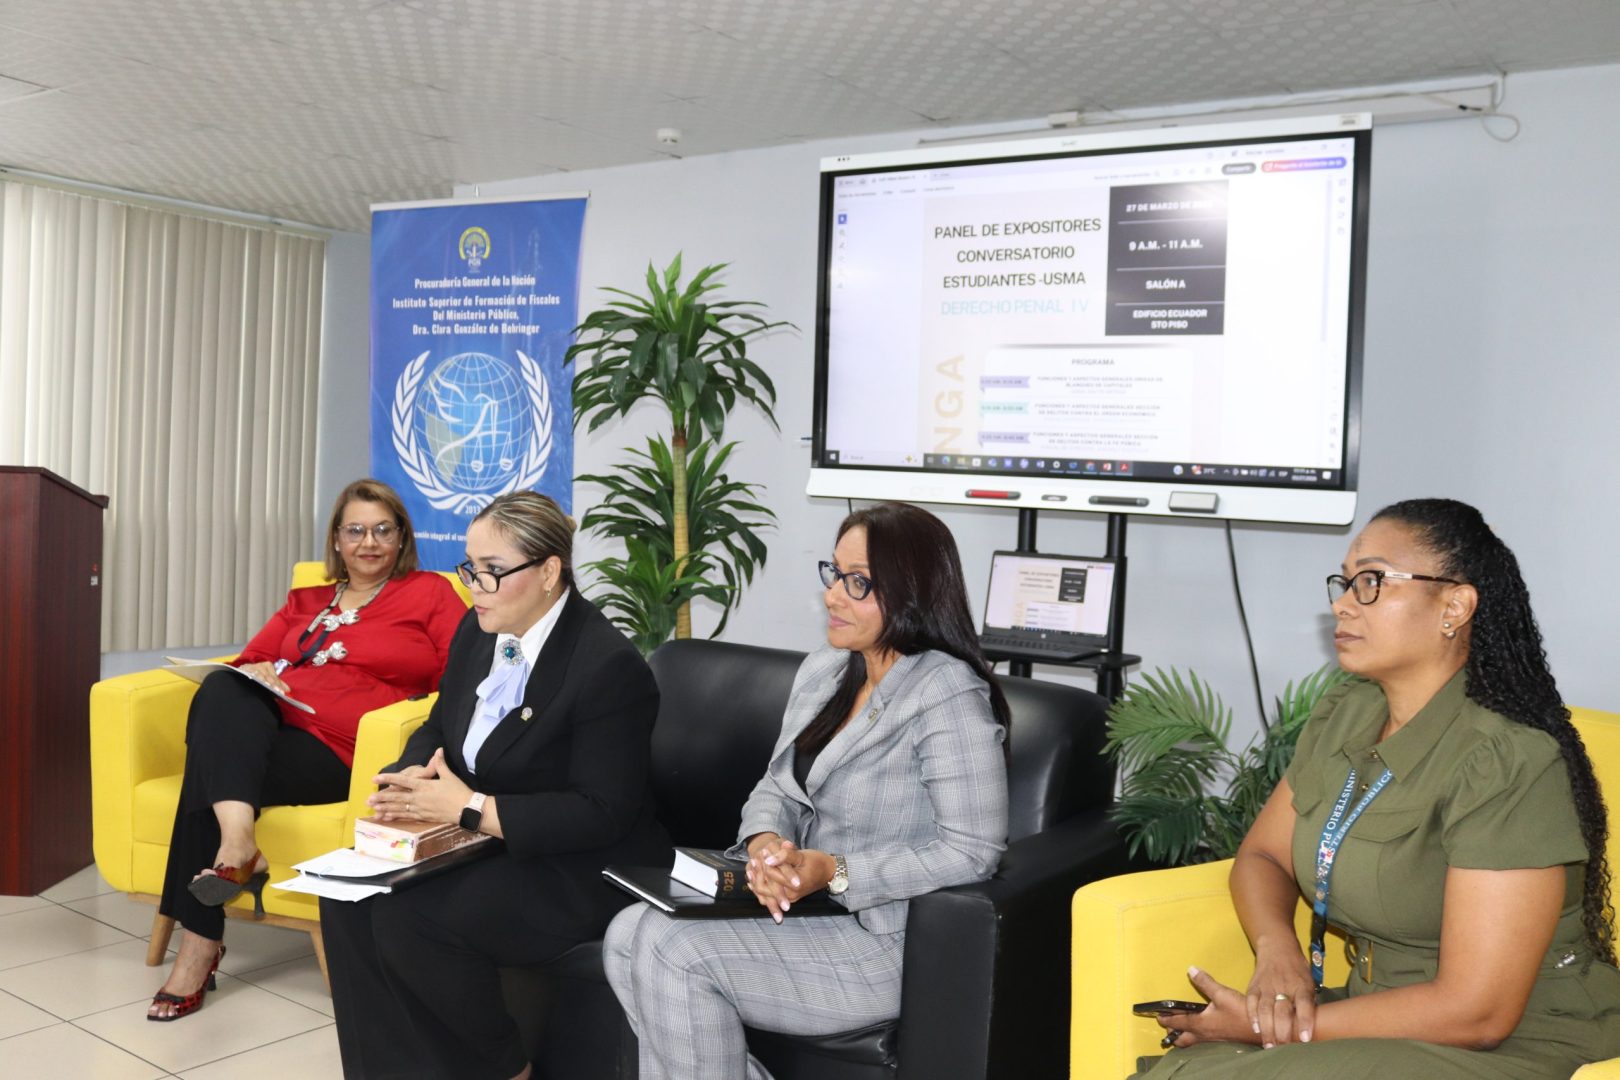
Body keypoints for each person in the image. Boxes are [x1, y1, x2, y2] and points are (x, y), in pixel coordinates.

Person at [1135, 498, 1620, 1079]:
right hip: (1377, 1014)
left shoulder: (1506, 760)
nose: (1342, 603)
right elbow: (1263, 856)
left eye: (1372, 582)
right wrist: (1278, 952)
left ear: (1454, 606)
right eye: (1345, 583)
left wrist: (1269, 1027)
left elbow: (1479, 1012)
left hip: (1515, 1035)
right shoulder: (1348, 710)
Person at [603, 500, 1011, 1080]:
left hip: (886, 940)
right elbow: (776, 786)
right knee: (626, 934)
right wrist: (767, 845)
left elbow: (973, 850)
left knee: (671, 947)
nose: (832, 596)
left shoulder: (945, 692)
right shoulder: (827, 669)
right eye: (835, 574)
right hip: (809, 912)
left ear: (912, 591)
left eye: (858, 582)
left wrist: (835, 872)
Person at [320, 490, 669, 1080]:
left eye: (492, 571)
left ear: (549, 573)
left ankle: (504, 1069)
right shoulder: (480, 628)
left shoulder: (607, 667)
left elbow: (600, 812)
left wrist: (471, 808)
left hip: (578, 866)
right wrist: (413, 772)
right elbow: (439, 721)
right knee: (345, 897)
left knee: (412, 918)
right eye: (470, 568)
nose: (474, 587)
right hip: (481, 837)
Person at [148, 478, 465, 1020]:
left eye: (383, 530)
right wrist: (260, 669)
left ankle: (198, 949)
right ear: (337, 539)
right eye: (356, 530)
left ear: (402, 537)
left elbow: (459, 679)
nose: (369, 542)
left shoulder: (430, 593)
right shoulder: (307, 600)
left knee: (211, 772)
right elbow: (249, 660)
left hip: (343, 750)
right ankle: (238, 843)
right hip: (274, 731)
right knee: (224, 687)